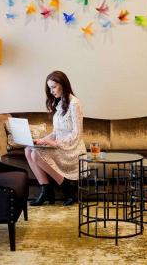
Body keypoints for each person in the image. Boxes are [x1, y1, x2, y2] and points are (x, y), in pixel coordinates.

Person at [24, 70, 86, 206]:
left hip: (72, 149)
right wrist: (41, 140)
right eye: (49, 88)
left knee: (36, 154)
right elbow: (56, 132)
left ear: (63, 85)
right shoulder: (59, 105)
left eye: (54, 87)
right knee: (28, 149)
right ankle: (46, 190)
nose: (51, 91)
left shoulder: (75, 104)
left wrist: (53, 142)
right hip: (58, 144)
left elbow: (77, 134)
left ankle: (66, 188)